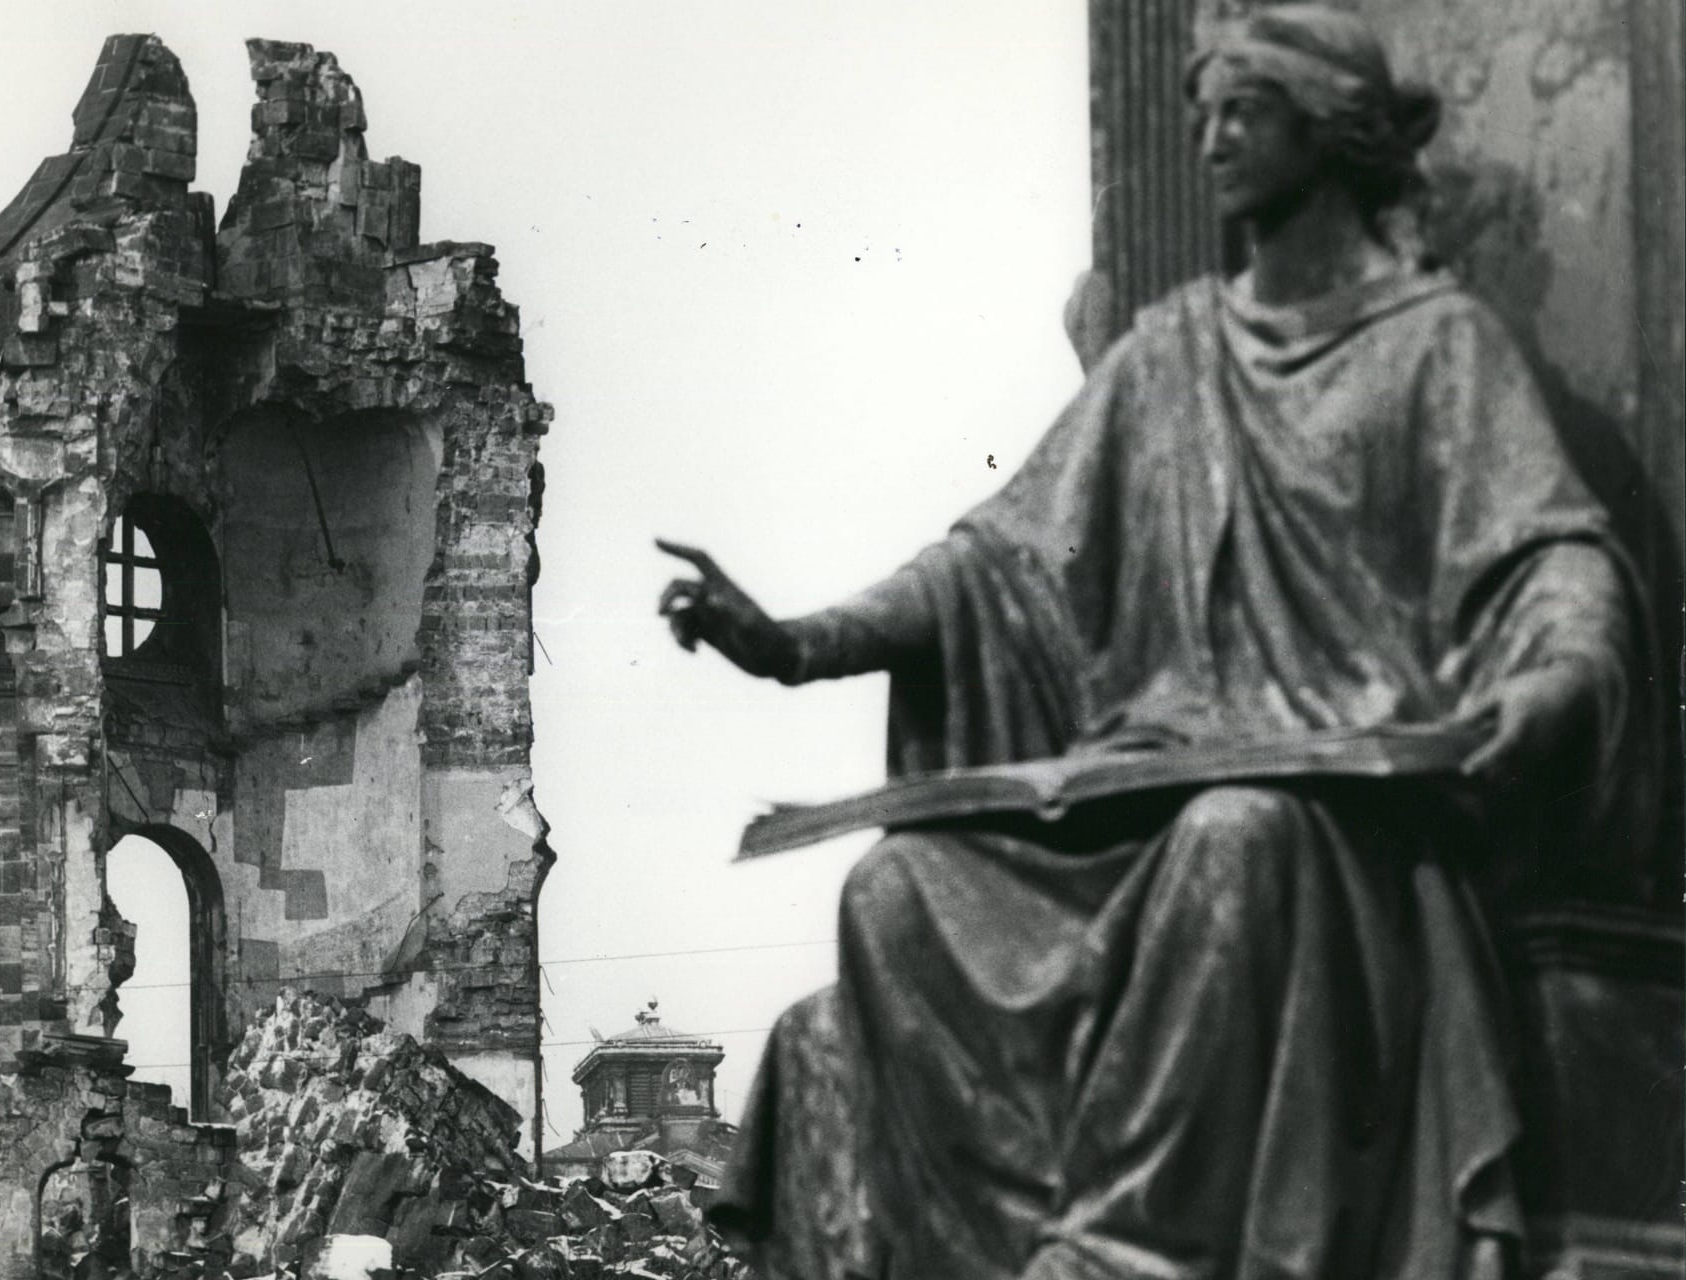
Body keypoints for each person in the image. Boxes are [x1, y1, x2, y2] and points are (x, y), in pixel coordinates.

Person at [654, 7, 1655, 1279]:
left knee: (1232, 840)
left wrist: (1562, 671)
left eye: (1248, 111)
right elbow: (996, 564)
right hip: (1140, 793)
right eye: (1203, 115)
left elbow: (1551, 551)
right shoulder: (1172, 351)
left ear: (1332, 132)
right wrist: (793, 640)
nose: (1215, 140)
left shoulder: (1434, 346)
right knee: (893, 889)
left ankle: (1131, 1250)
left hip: (1332, 820)